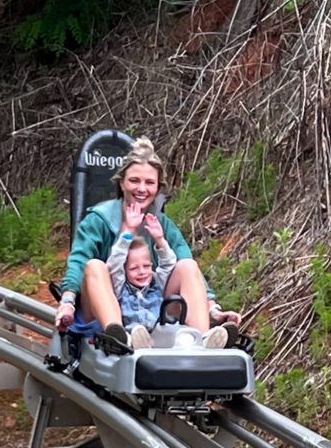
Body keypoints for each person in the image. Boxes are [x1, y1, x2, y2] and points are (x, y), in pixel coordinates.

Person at [54, 137, 240, 348]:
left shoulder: (162, 225)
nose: (142, 189)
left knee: (188, 266)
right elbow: (79, 260)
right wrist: (67, 301)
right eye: (134, 181)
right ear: (121, 183)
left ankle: (203, 339)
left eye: (149, 182)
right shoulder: (98, 220)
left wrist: (212, 308)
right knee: (94, 266)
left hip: (151, 305)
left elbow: (186, 263)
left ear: (158, 188)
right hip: (106, 303)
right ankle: (118, 336)